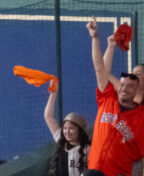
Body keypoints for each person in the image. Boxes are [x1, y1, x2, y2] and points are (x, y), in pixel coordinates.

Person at [85, 19, 144, 176]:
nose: (124, 88)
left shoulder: (141, 118)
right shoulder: (108, 99)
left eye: (138, 75)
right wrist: (98, 40)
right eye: (122, 85)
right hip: (93, 171)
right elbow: (100, 69)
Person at [43, 83, 90, 176]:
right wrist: (53, 93)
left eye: (71, 128)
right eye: (65, 128)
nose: (67, 132)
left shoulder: (87, 149)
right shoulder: (61, 141)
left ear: (80, 130)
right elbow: (48, 116)